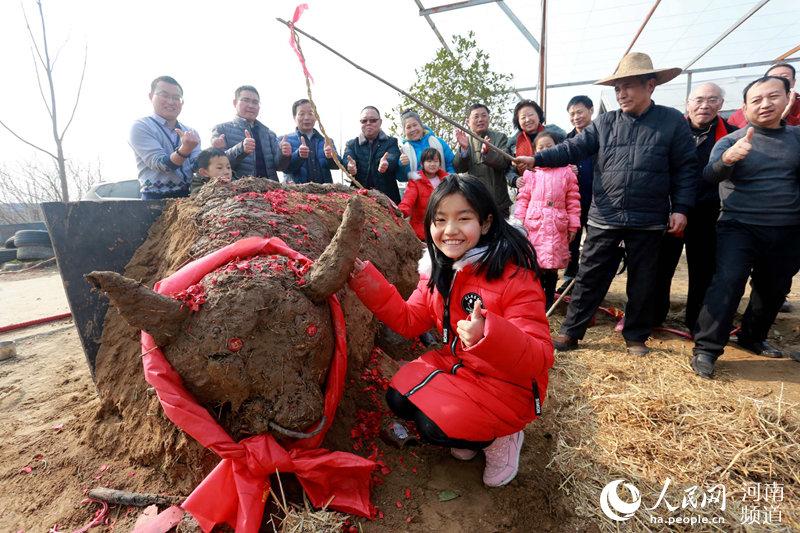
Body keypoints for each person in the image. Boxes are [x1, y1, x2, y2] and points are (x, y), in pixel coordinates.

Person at [348, 174, 553, 487]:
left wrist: (489, 335)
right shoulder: (437, 270)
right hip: (461, 367)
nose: (450, 231)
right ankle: (473, 432)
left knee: (433, 428)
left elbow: (540, 357)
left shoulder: (514, 278)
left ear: (485, 223)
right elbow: (409, 319)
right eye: (440, 219)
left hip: (509, 386)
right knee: (398, 399)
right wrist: (365, 280)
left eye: (463, 218)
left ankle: (503, 438)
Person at [514, 52, 698, 356]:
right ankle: (572, 332)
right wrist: (536, 159)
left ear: (650, 85)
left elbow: (686, 169)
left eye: (628, 86)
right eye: (617, 88)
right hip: (604, 216)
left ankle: (636, 336)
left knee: (643, 280)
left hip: (649, 218)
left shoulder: (671, 122)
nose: (621, 94)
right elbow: (572, 148)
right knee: (589, 276)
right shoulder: (606, 123)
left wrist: (680, 208)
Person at [690, 76, 800, 379]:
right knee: (727, 281)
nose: (765, 104)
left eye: (773, 96)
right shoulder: (730, 140)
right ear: (744, 107)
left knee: (774, 287)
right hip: (739, 226)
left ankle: (752, 336)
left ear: (787, 99)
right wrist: (727, 159)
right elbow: (710, 176)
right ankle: (707, 349)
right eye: (757, 100)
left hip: (788, 227)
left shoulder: (796, 138)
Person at [652, 83, 737, 330]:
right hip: (671, 209)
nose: (705, 105)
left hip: (708, 212)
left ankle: (696, 322)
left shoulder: (732, 135)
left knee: (704, 268)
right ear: (687, 104)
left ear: (721, 104)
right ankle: (655, 316)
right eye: (698, 100)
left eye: (712, 100)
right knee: (661, 266)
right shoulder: (669, 130)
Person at [513, 132, 581, 310]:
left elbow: (573, 200)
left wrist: (573, 224)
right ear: (535, 151)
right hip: (534, 223)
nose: (544, 150)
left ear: (557, 148)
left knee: (552, 265)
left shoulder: (567, 172)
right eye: (540, 147)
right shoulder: (531, 173)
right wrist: (518, 222)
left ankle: (548, 302)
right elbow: (523, 198)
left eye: (549, 147)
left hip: (556, 224)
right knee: (533, 264)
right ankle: (534, 300)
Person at [129, 76, 201, 200]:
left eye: (176, 98)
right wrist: (185, 150)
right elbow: (162, 164)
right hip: (154, 199)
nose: (171, 102)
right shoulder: (141, 126)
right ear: (151, 96)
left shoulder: (191, 133)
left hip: (187, 198)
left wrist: (217, 153)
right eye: (164, 95)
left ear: (182, 102)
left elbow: (198, 166)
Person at [211, 85, 290, 180]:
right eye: (246, 100)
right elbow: (217, 164)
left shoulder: (269, 134)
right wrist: (241, 149)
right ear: (235, 103)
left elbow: (279, 167)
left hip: (271, 191)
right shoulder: (221, 129)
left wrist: (284, 154)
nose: (251, 105)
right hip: (238, 191)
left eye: (255, 102)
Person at [560, 95, 596, 291]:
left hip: (598, 198)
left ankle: (589, 280)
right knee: (572, 239)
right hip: (573, 200)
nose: (576, 117)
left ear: (591, 110)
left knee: (594, 242)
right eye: (572, 114)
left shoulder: (601, 137)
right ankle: (569, 278)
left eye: (579, 112)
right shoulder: (567, 141)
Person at [453, 104, 512, 218]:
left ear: (489, 118)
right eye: (476, 116)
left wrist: (487, 153)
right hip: (474, 203)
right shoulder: (465, 139)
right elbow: (458, 167)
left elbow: (504, 162)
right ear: (468, 121)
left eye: (484, 115)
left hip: (499, 203)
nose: (480, 119)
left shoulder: (500, 137)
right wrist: (464, 149)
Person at [343, 106, 402, 203]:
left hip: (388, 199)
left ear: (380, 122)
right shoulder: (352, 144)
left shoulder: (391, 142)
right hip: (359, 199)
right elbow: (347, 158)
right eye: (364, 121)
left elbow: (393, 156)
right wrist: (349, 166)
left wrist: (387, 163)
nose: (368, 123)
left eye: (373, 120)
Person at [283, 99, 341, 184]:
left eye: (311, 113)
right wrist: (298, 155)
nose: (306, 118)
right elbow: (284, 168)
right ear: (294, 117)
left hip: (324, 193)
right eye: (301, 114)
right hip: (296, 193)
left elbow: (337, 166)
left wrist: (331, 157)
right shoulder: (285, 141)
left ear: (316, 117)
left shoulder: (326, 141)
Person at [398, 148, 449, 240]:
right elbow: (408, 199)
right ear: (422, 164)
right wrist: (400, 212)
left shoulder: (447, 181)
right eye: (429, 161)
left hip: (444, 228)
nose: (433, 164)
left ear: (440, 163)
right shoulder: (416, 181)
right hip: (422, 230)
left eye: (436, 161)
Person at [728, 63, 800, 127]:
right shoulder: (738, 115)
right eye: (773, 77)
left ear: (793, 82)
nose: (766, 105)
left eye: (784, 76)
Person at [397, 110, 455, 180]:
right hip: (418, 189)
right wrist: (402, 165)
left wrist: (450, 180)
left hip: (443, 187)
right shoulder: (403, 151)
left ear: (421, 125)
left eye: (415, 125)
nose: (413, 129)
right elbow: (401, 178)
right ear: (404, 131)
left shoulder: (439, 142)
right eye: (408, 127)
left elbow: (451, 164)